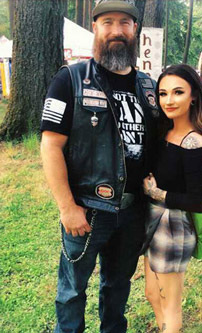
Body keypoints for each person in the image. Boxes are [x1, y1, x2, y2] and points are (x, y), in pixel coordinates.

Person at [40, 1, 158, 331]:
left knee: (118, 288)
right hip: (87, 210)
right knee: (72, 291)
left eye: (124, 23)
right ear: (95, 27)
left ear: (135, 29)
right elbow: (51, 145)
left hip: (134, 212)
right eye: (108, 22)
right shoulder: (70, 79)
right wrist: (67, 207)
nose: (116, 30)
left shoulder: (148, 88)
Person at [141, 64, 202, 332]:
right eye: (163, 93)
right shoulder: (165, 130)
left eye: (178, 92)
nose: (169, 100)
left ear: (193, 96)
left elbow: (197, 201)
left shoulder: (193, 142)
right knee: (151, 294)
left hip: (173, 225)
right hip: (154, 220)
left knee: (170, 303)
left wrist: (156, 193)